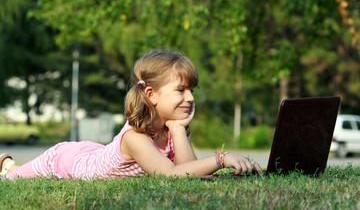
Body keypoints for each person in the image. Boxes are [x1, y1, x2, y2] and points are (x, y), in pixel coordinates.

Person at [0, 50, 262, 180]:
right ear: (152, 94)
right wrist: (221, 158)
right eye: (181, 90)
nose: (191, 97)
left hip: (94, 152)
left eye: (192, 90)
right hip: (65, 160)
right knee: (14, 179)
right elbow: (170, 175)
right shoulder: (135, 137)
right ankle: (6, 164)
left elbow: (186, 172)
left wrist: (179, 129)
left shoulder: (173, 128)